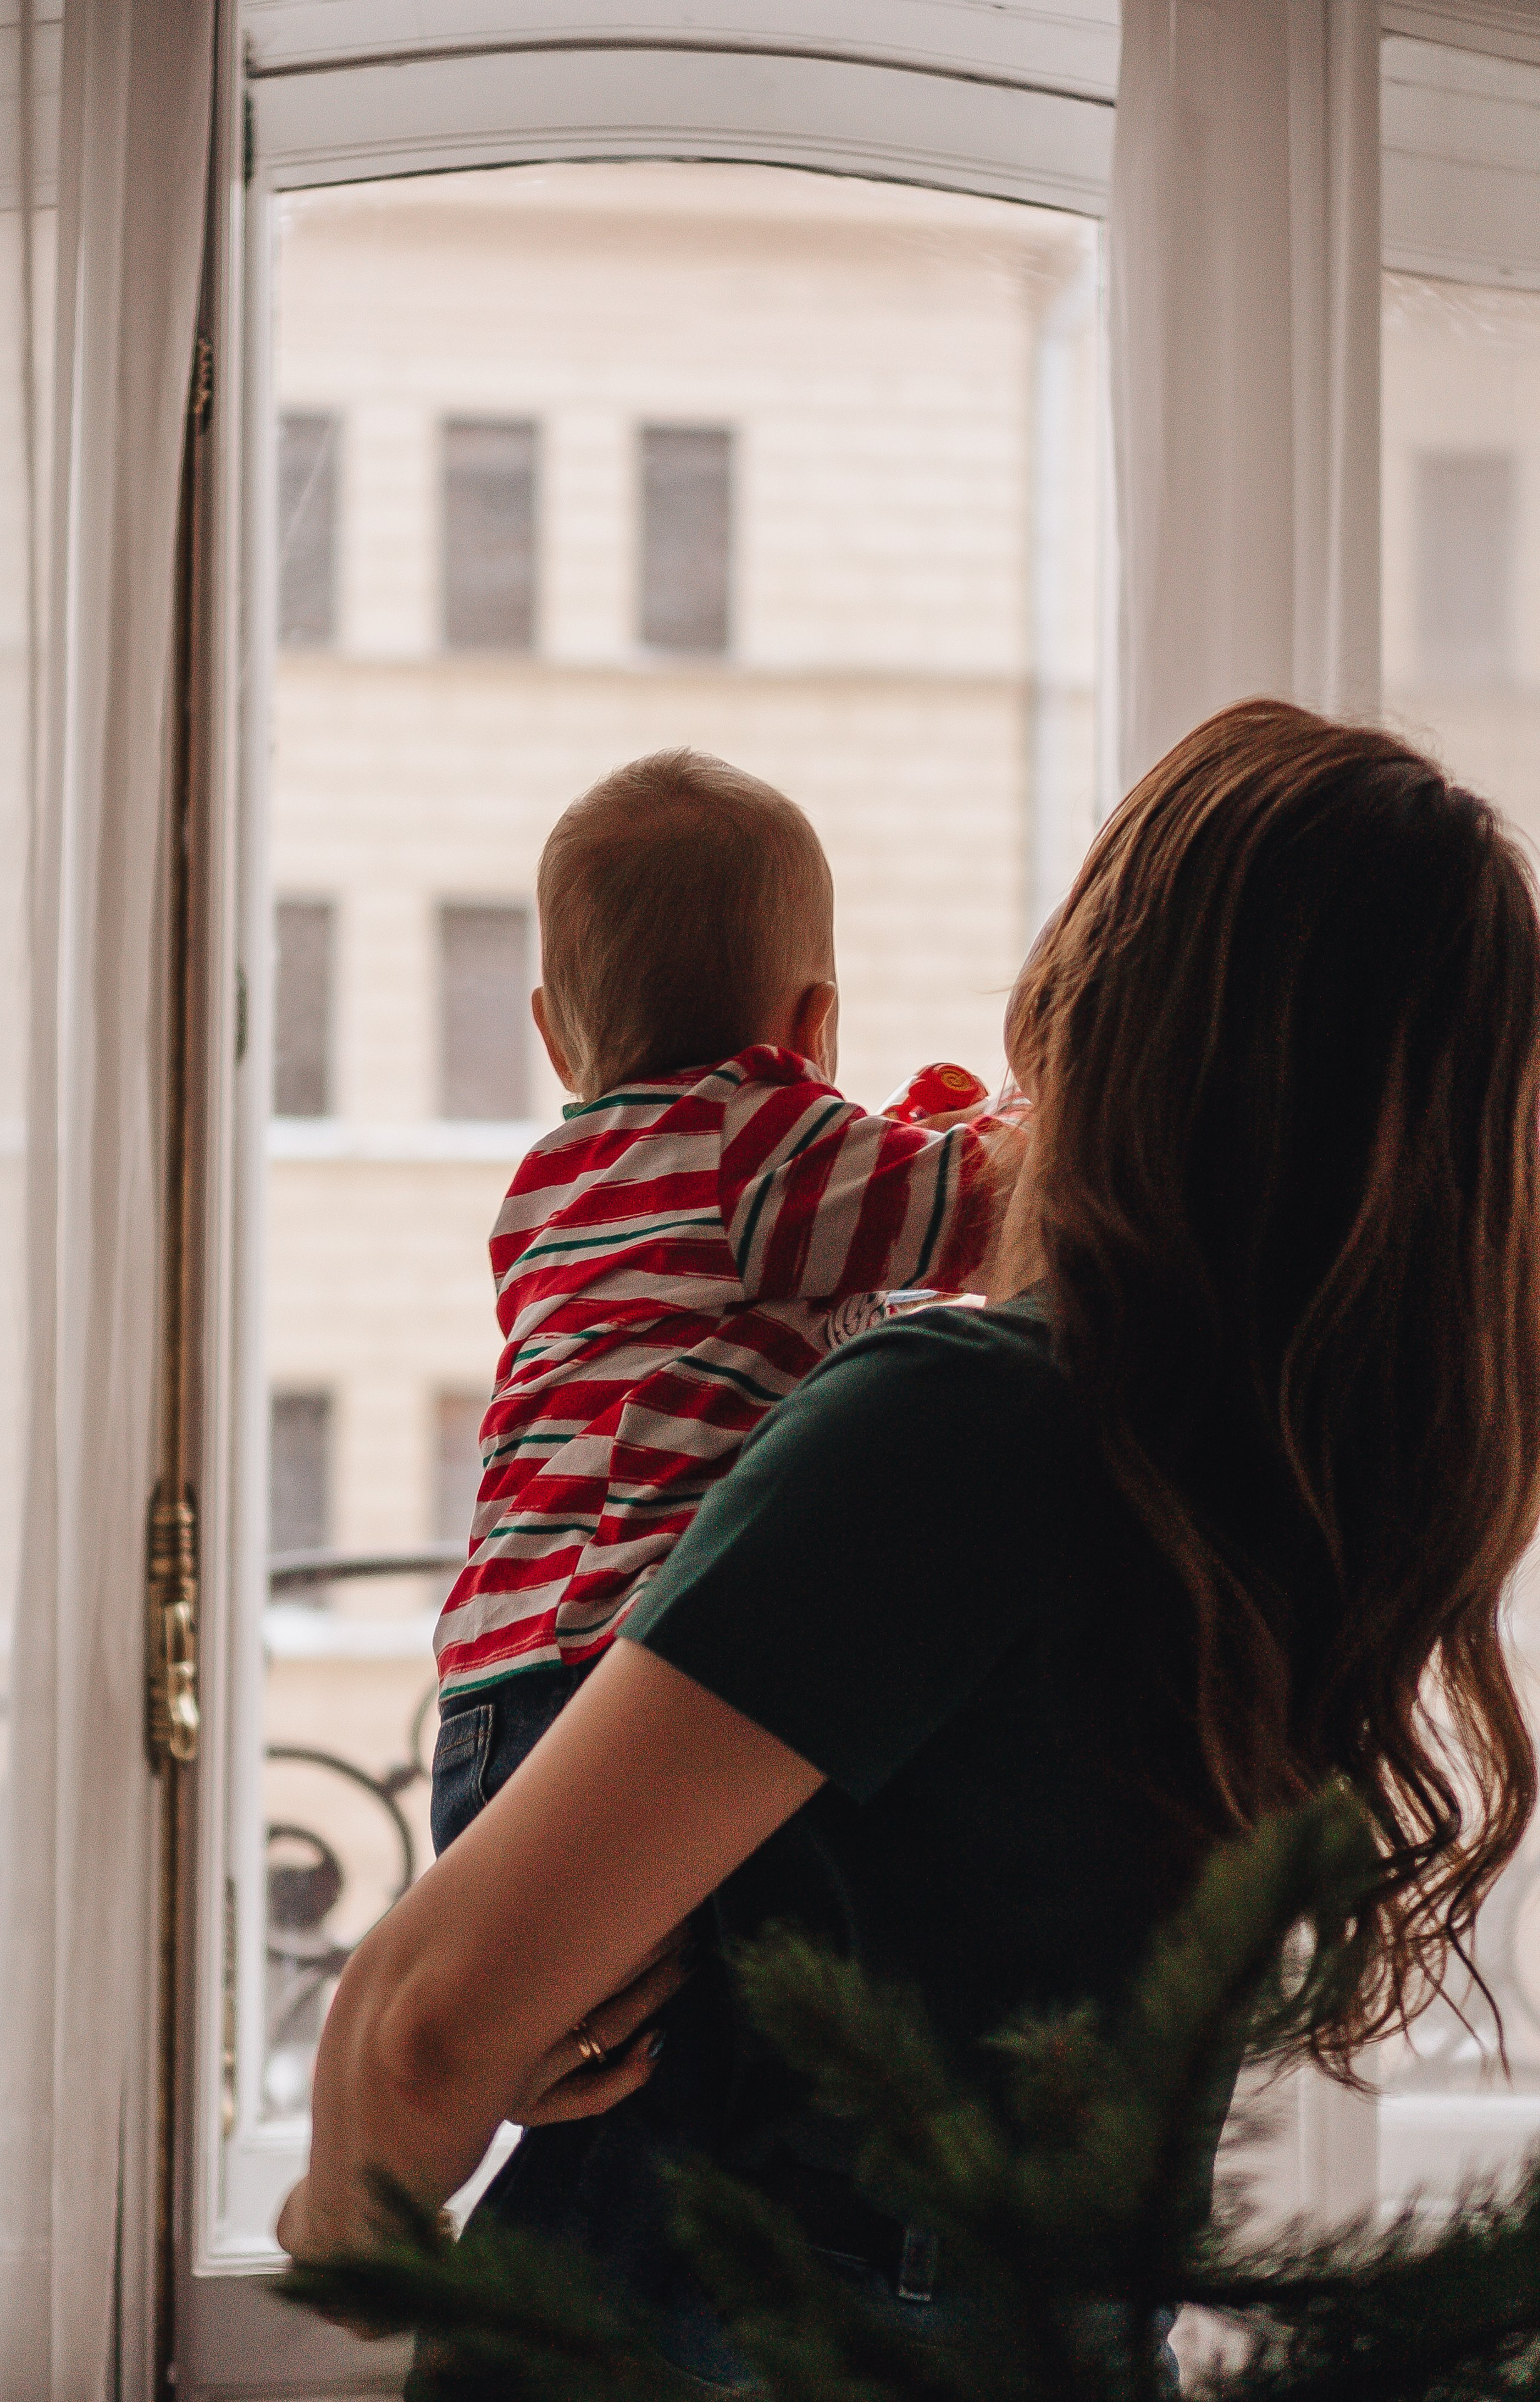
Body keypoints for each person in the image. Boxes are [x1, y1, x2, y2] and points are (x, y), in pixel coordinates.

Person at [279, 701, 1540, 2393]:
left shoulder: (956, 1425)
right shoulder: (1294, 1495)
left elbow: (432, 2026)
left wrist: (341, 2228)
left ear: (1106, 1015)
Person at [428, 746, 1017, 1858]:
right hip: (627, 1684)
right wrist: (1025, 1109)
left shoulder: (556, 1189)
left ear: (555, 1034)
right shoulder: (751, 1135)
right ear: (814, 1028)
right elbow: (987, 1208)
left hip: (486, 1699)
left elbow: (778, 1253)